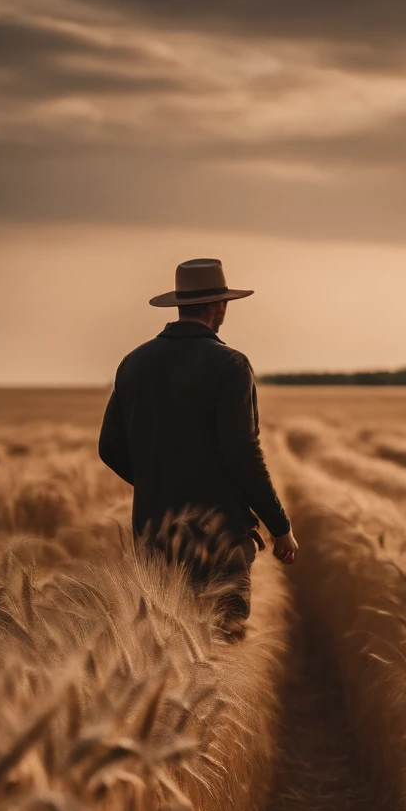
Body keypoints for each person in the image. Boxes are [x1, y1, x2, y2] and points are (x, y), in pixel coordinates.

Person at [98, 258, 298, 638]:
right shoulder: (230, 365)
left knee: (162, 648)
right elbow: (243, 453)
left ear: (178, 303)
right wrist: (279, 526)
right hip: (219, 537)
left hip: (154, 534)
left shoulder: (133, 363)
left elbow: (110, 447)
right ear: (219, 306)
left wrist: (160, 484)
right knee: (223, 649)